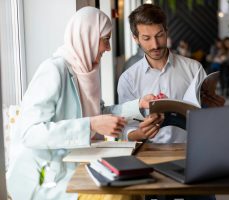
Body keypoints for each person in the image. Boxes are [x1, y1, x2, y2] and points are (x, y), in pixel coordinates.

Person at [6, 7, 161, 200]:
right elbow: (30, 133)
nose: (109, 48)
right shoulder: (53, 70)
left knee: (134, 189)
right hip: (46, 177)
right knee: (120, 196)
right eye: (106, 39)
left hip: (78, 164)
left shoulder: (86, 71)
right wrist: (90, 125)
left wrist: (139, 104)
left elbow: (99, 112)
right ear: (87, 36)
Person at [117, 4, 224, 200]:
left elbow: (210, 122)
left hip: (193, 155)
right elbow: (124, 129)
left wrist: (215, 109)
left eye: (159, 35)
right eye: (146, 38)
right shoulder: (128, 79)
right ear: (135, 38)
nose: (155, 44)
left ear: (167, 30)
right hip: (149, 159)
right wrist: (139, 133)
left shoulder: (193, 68)